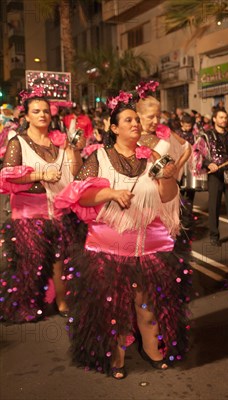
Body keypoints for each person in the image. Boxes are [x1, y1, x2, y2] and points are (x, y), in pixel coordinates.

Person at [55, 94, 190, 379]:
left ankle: (152, 349)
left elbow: (167, 197)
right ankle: (115, 356)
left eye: (137, 120)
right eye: (128, 120)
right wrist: (110, 193)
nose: (136, 124)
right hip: (109, 246)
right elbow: (80, 194)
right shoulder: (100, 157)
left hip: (149, 245)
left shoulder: (153, 156)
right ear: (114, 128)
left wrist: (168, 176)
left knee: (147, 303)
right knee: (112, 307)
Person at [0, 89, 83, 322]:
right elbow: (7, 175)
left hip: (58, 210)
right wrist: (39, 174)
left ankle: (62, 300)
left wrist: (74, 149)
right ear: (26, 116)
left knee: (60, 259)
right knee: (31, 262)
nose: (42, 115)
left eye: (46, 111)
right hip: (28, 212)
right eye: (36, 111)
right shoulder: (18, 142)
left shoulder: (58, 141)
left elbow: (74, 173)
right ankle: (24, 304)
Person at [203, 108, 228, 247]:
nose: (223, 120)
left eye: (225, 117)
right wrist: (208, 163)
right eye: (220, 117)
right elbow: (198, 153)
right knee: (214, 206)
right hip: (215, 174)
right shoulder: (206, 136)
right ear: (214, 119)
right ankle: (214, 236)